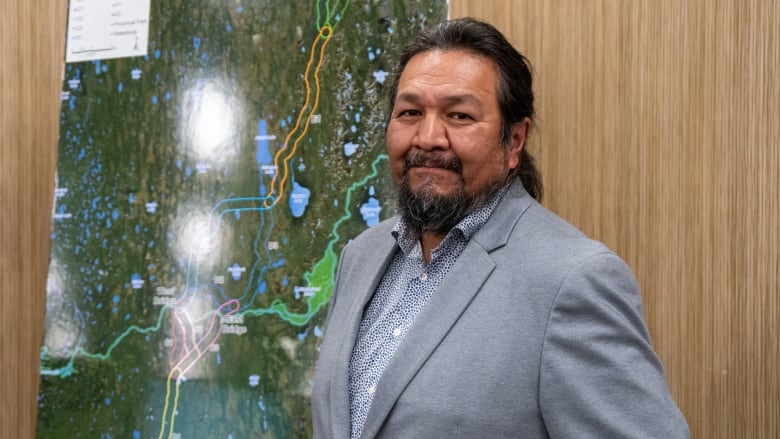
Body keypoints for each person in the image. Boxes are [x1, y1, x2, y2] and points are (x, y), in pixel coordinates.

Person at [312, 17, 689, 438]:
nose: (428, 137)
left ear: (514, 141)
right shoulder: (360, 255)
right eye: (410, 112)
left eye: (459, 116)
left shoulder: (572, 280)